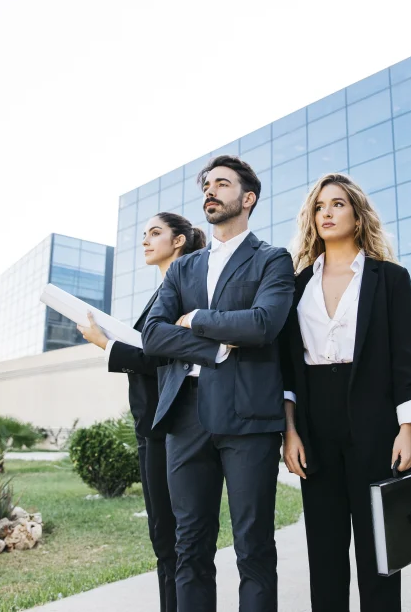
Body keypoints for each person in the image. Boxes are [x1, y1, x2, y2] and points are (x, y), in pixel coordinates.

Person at [141, 155, 295, 612]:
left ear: (247, 198)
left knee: (253, 548)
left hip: (248, 417)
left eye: (222, 184)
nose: (210, 191)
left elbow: (264, 324)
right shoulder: (183, 269)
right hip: (185, 418)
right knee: (190, 547)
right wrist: (215, 347)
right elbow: (152, 334)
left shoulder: (272, 259)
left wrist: (198, 320)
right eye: (207, 184)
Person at [279, 172, 411, 612]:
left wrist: (407, 429)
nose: (326, 213)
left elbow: (405, 360)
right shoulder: (295, 285)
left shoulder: (391, 280)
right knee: (324, 551)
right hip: (314, 421)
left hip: (374, 417)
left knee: (381, 551)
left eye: (338, 204)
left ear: (358, 215)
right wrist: (290, 431)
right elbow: (288, 370)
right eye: (319, 207)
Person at [76, 211, 206, 612]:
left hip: (169, 425)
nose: (145, 241)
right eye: (144, 234)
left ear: (179, 241)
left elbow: (164, 356)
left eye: (155, 233)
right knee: (161, 537)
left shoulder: (188, 289)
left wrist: (106, 345)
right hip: (149, 425)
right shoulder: (164, 291)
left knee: (174, 537)